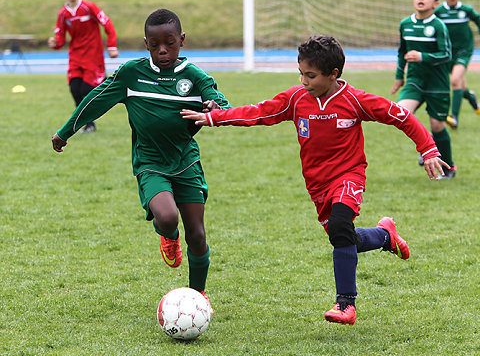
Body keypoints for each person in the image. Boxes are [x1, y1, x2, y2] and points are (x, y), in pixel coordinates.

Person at [181, 35, 448, 325]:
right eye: (301, 74)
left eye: (311, 75)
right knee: (343, 238)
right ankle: (385, 235)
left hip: (349, 175)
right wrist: (214, 117)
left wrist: (429, 149)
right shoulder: (296, 100)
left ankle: (346, 304)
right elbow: (259, 113)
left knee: (340, 225)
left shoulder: (356, 101)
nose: (304, 81)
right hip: (317, 184)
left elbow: (402, 117)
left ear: (334, 74)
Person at [52, 8, 232, 312]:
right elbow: (95, 101)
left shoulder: (195, 76)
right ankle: (168, 237)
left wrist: (213, 107)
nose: (163, 50)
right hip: (149, 161)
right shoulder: (131, 74)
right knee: (167, 217)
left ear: (182, 41)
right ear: (145, 43)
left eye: (170, 43)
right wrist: (65, 131)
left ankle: (197, 297)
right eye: (155, 44)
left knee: (198, 235)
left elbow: (223, 106)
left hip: (186, 161)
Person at [390, 0, 456, 179]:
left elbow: (446, 55)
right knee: (401, 113)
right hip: (415, 81)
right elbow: (402, 52)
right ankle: (426, 146)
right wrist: (398, 77)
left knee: (437, 125)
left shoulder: (438, 25)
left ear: (435, 3)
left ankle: (449, 167)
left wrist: (422, 57)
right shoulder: (405, 24)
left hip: (438, 84)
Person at [48, 0, 119, 133]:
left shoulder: (89, 7)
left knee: (86, 90)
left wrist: (112, 45)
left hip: (93, 57)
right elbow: (60, 39)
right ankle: (89, 123)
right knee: (74, 89)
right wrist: (55, 43)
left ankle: (103, 86)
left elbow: (107, 23)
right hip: (75, 57)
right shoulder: (63, 13)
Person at [435, 0, 480, 129]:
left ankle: (454, 118)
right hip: (448, 52)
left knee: (454, 81)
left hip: (464, 51)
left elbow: (478, 20)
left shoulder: (466, 10)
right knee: (460, 85)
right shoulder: (439, 12)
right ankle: (472, 98)